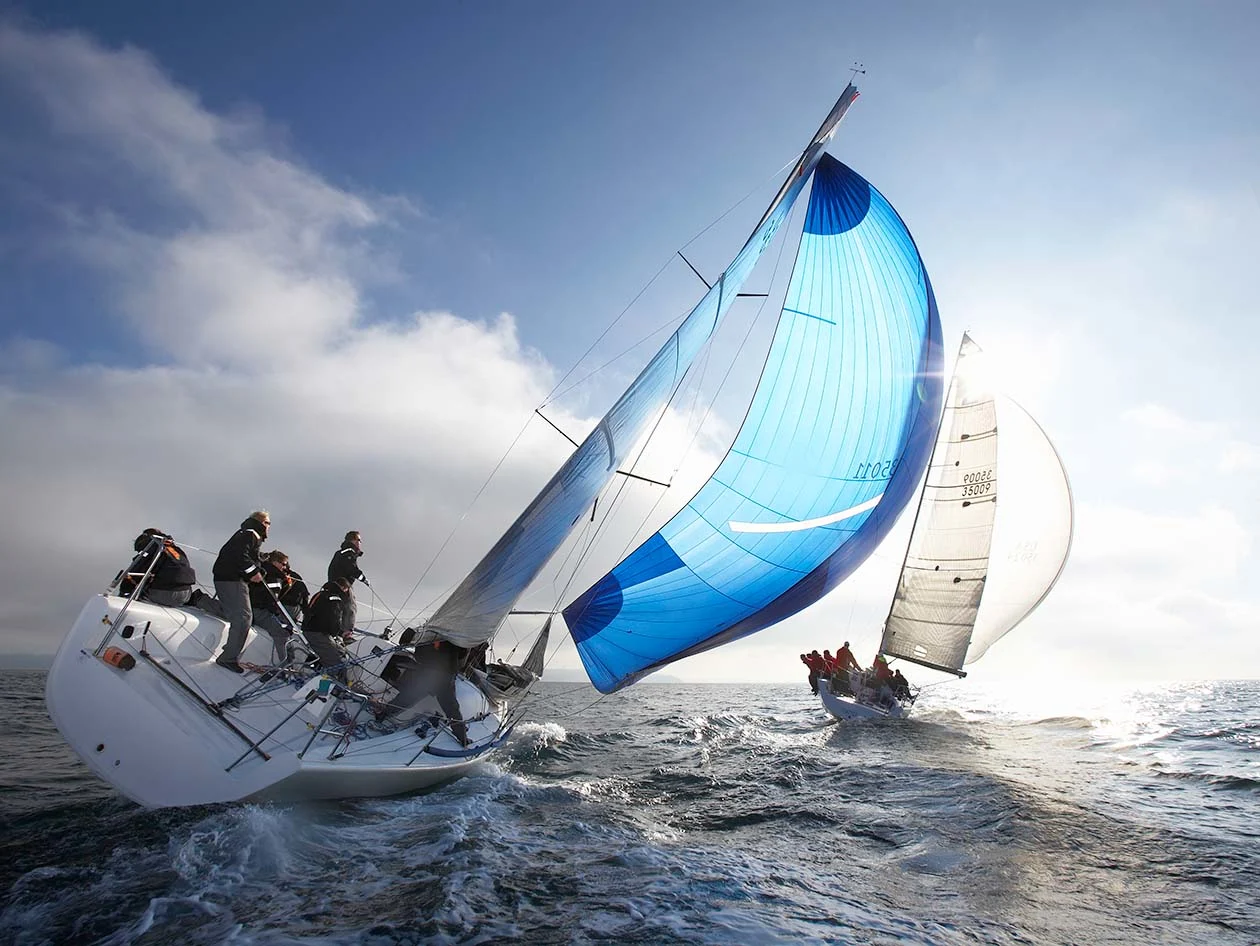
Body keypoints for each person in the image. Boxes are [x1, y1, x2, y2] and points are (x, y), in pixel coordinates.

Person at [377, 637, 469, 745]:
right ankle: (463, 739)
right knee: (452, 709)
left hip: (427, 673)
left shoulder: (432, 635)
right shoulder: (456, 639)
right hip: (444, 676)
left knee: (407, 697)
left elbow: (419, 655)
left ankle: (382, 714)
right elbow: (460, 659)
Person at [211, 511, 269, 672]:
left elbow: (242, 554)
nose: (269, 527)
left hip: (227, 577)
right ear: (261, 522)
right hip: (232, 579)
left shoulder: (246, 534)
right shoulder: (251, 534)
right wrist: (253, 572)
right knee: (244, 617)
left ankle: (201, 600)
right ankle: (228, 658)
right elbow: (239, 555)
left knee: (234, 613)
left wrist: (259, 563)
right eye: (268, 523)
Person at [118, 529, 197, 606]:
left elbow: (136, 570)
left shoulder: (152, 547)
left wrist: (123, 591)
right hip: (186, 594)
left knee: (137, 596)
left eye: (140, 550)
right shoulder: (175, 549)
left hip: (167, 593)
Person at [302, 577, 353, 682]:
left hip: (309, 629)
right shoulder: (335, 599)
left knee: (338, 652)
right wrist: (340, 633)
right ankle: (330, 689)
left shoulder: (320, 594)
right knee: (337, 664)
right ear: (344, 588)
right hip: (318, 634)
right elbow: (333, 621)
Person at [249, 550, 296, 665]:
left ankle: (289, 663)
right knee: (281, 632)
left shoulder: (268, 573)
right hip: (258, 610)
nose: (285, 567)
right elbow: (269, 598)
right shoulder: (272, 576)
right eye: (283, 564)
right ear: (275, 562)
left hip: (258, 608)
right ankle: (285, 666)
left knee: (285, 628)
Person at [327, 531, 368, 636]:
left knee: (338, 607)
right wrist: (363, 578)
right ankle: (347, 632)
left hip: (333, 585)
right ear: (353, 540)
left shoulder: (340, 552)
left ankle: (337, 629)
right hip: (343, 585)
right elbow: (351, 568)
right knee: (350, 606)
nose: (360, 542)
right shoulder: (348, 552)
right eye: (359, 540)